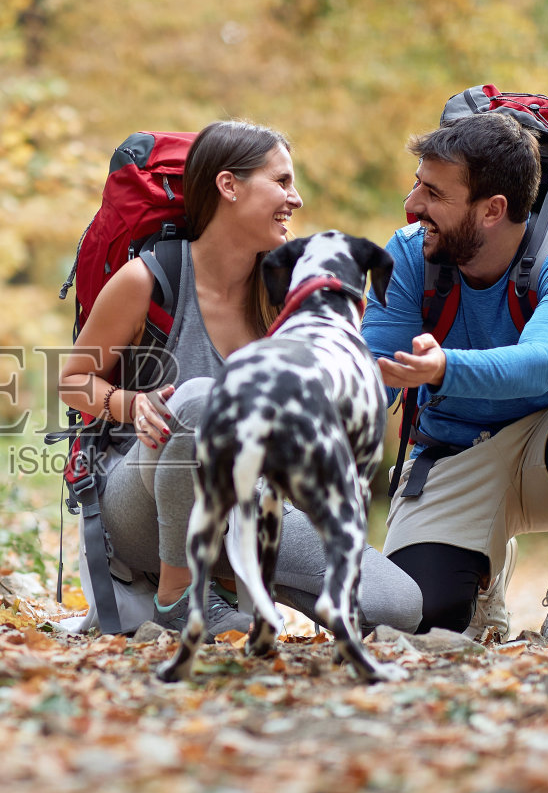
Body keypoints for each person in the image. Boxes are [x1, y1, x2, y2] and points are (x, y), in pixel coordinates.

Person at [58, 120, 422, 637]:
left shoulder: (285, 294)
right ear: (228, 186)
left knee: (398, 604)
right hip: (140, 502)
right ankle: (178, 596)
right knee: (201, 399)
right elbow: (73, 380)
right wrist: (129, 403)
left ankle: (239, 580)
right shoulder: (150, 279)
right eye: (281, 181)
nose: (295, 199)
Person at [363, 112, 548, 641]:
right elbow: (371, 370)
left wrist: (443, 368)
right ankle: (480, 573)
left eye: (433, 193)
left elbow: (540, 362)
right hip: (452, 453)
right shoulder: (405, 255)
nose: (413, 204)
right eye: (417, 184)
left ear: (493, 209)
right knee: (415, 619)